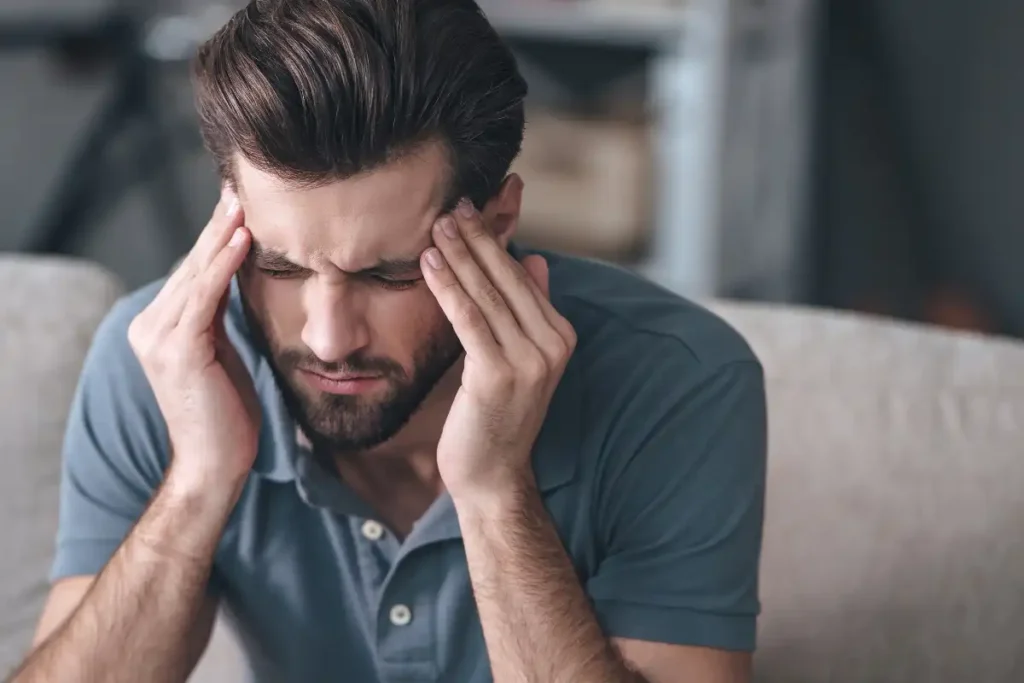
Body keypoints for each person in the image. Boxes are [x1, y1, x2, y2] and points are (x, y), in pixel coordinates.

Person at [10, 1, 767, 681]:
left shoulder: (679, 382)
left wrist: (497, 492)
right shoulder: (168, 359)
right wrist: (200, 481)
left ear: (497, 224)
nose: (328, 337)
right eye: (278, 265)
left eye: (390, 274)